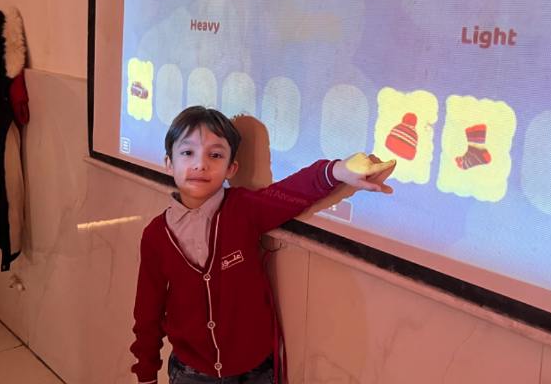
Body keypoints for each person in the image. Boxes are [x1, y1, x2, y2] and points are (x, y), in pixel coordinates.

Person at [130, 106, 395, 384]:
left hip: (255, 371)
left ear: (231, 168)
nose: (200, 164)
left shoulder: (243, 209)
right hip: (191, 373)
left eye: (215, 155)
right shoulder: (156, 235)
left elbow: (292, 191)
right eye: (187, 153)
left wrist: (338, 170)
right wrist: (146, 374)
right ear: (169, 163)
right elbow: (147, 312)